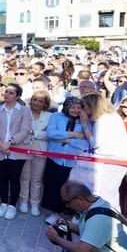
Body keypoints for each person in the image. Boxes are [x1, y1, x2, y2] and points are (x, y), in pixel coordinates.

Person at [71, 93, 127, 208]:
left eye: (83, 106)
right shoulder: (111, 116)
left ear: (92, 106)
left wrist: (85, 124)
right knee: (109, 192)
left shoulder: (103, 120)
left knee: (105, 194)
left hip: (110, 160)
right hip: (114, 159)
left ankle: (107, 219)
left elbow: (95, 143)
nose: (81, 110)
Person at [0, 83, 33, 220]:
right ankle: (3, 203)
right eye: (6, 91)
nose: (7, 94)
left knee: (14, 178)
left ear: (18, 96)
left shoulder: (25, 110)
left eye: (11, 93)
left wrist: (10, 142)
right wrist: (0, 142)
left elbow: (25, 130)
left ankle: (12, 205)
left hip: (17, 150)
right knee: (2, 178)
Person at [43, 96, 90, 224]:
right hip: (55, 157)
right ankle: (55, 213)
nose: (75, 110)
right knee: (54, 185)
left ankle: (75, 213)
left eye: (79, 107)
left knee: (73, 188)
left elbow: (86, 141)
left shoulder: (84, 121)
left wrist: (66, 140)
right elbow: (51, 134)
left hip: (73, 161)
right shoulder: (57, 116)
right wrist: (73, 135)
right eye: (73, 107)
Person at [18, 90, 51, 217]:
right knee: (24, 177)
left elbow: (49, 134)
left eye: (40, 101)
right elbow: (21, 130)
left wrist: (33, 133)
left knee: (37, 179)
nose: (36, 103)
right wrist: (32, 133)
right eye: (35, 100)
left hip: (41, 150)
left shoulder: (49, 116)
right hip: (24, 148)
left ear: (45, 104)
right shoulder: (23, 112)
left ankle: (35, 203)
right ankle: (23, 201)